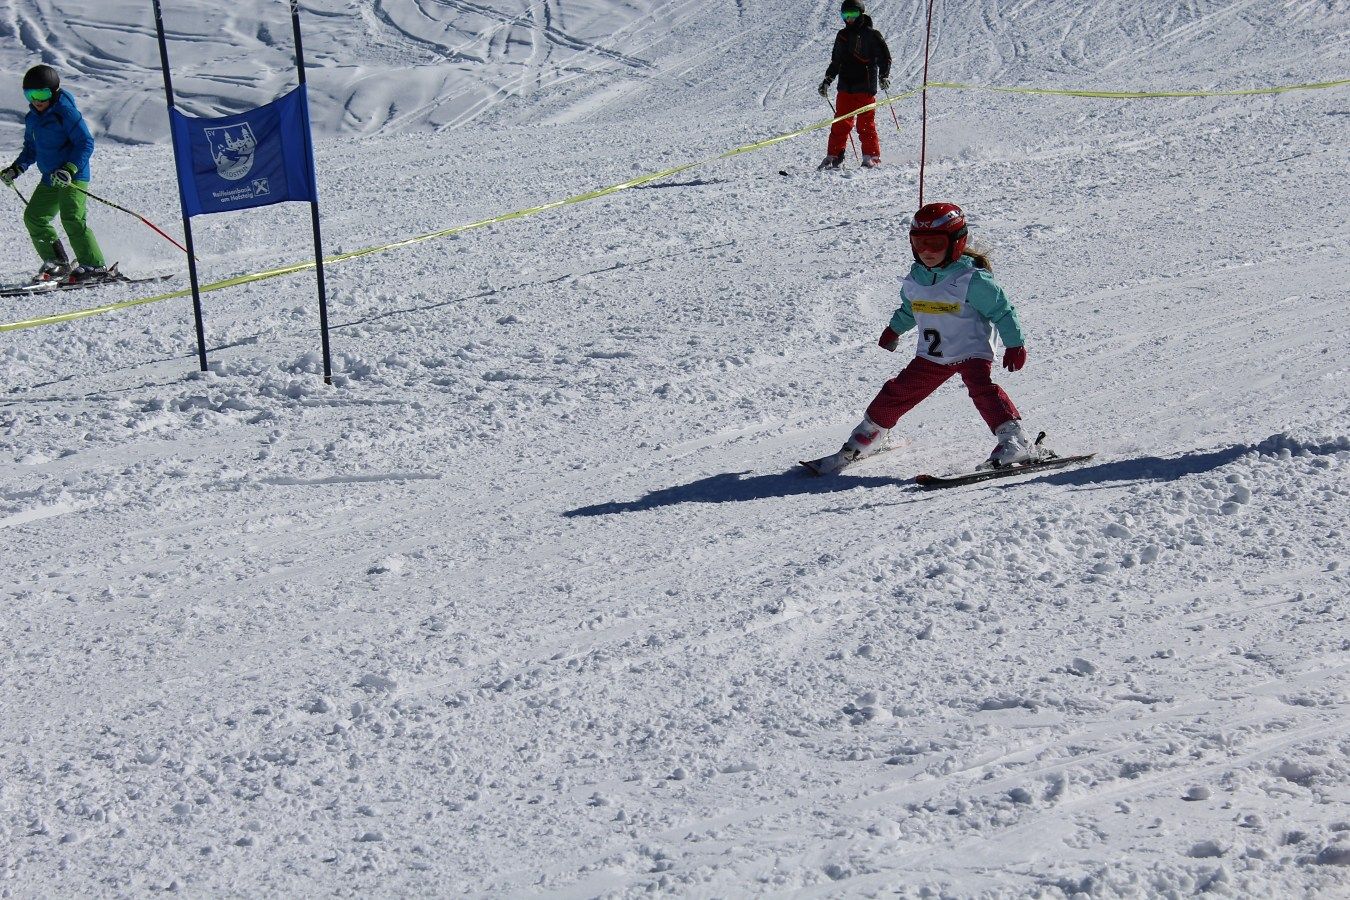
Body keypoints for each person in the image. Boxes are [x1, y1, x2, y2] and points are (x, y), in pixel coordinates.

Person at [810, 202, 1049, 474]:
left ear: (956, 242)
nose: (926, 252)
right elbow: (910, 309)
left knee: (983, 391)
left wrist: (1015, 344)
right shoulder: (916, 278)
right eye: (919, 243)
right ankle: (868, 437)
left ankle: (1015, 442)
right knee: (897, 392)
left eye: (935, 244)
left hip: (971, 351)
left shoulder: (972, 280)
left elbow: (1002, 311)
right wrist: (894, 329)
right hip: (933, 355)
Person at [0, 64, 109, 285]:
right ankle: (57, 262)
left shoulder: (66, 113)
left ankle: (94, 266)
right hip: (50, 177)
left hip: (73, 176)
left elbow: (85, 143)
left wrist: (70, 168)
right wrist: (16, 168)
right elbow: (31, 149)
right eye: (30, 95)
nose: (36, 100)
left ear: (54, 92)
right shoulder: (32, 118)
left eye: (41, 94)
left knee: (72, 218)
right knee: (35, 217)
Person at [817, 0, 891, 170]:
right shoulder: (842, 36)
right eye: (846, 15)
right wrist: (827, 80)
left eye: (853, 14)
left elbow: (884, 58)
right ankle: (834, 156)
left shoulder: (872, 35)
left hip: (865, 87)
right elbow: (836, 61)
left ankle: (871, 157)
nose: (849, 19)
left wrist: (883, 76)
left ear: (861, 13)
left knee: (865, 124)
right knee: (840, 123)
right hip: (845, 87)